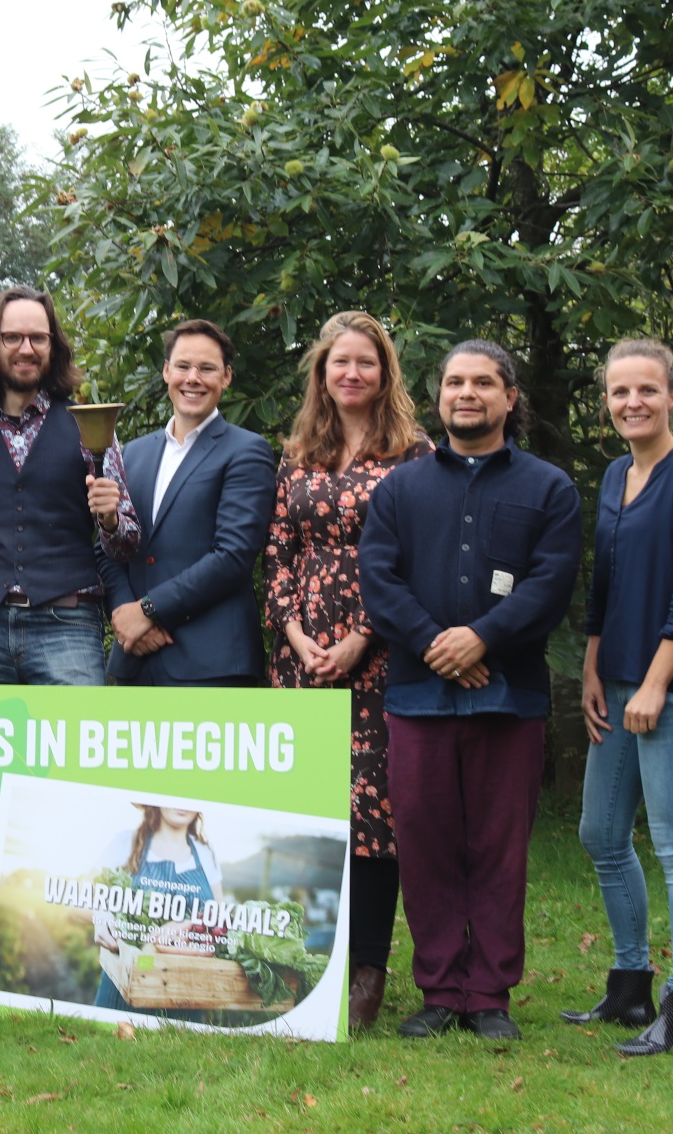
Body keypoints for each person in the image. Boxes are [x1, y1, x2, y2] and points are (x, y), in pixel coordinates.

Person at [358, 339, 581, 1041]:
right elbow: (378, 580)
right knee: (425, 847)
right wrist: (438, 644)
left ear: (509, 397)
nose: (467, 393)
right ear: (439, 396)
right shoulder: (400, 489)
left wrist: (483, 638)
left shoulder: (549, 488)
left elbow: (550, 584)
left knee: (498, 848)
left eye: (484, 382)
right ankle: (439, 991)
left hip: (509, 698)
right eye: (455, 382)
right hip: (417, 697)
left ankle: (488, 995)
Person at [263, 311, 431, 1030]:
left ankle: (366, 969)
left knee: (370, 814)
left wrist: (364, 636)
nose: (352, 373)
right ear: (322, 373)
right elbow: (278, 553)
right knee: (306, 805)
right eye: (340, 362)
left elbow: (419, 558)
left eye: (366, 361)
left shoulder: (414, 455)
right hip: (301, 654)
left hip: (379, 652)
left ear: (385, 372)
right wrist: (297, 636)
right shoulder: (299, 453)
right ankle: (304, 962)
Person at [568, 340, 673, 1052]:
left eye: (647, 390)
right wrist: (593, 668)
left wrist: (657, 684)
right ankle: (631, 987)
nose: (632, 402)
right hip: (619, 681)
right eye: (619, 392)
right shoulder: (615, 475)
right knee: (601, 834)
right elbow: (603, 586)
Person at [0, 286, 138, 686]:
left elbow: (126, 545)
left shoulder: (89, 426)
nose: (26, 349)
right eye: (12, 337)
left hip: (67, 625)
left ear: (53, 346)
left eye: (38, 338)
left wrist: (110, 519)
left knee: (80, 731)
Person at [99, 318, 274, 687]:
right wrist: (125, 614)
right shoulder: (132, 454)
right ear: (166, 372)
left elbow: (232, 556)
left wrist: (148, 610)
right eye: (183, 366)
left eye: (206, 368)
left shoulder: (247, 451)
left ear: (226, 376)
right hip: (136, 661)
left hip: (212, 664)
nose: (193, 378)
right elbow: (106, 547)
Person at [91, 805, 225, 1015]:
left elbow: (219, 920)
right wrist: (100, 913)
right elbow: (77, 902)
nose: (183, 803)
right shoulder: (125, 842)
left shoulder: (205, 853)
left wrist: (188, 925)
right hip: (127, 985)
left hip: (185, 995)